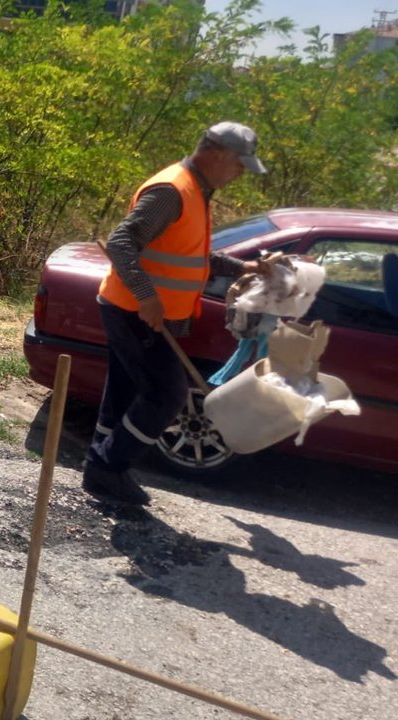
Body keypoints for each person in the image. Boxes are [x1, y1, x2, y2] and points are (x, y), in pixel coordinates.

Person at [84, 121, 272, 506]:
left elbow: (188, 256)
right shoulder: (173, 190)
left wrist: (243, 269)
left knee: (125, 390)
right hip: (134, 311)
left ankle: (101, 467)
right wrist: (147, 297)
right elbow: (121, 242)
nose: (240, 174)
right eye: (239, 165)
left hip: (139, 311)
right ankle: (106, 469)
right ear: (217, 153)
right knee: (166, 395)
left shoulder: (198, 190)